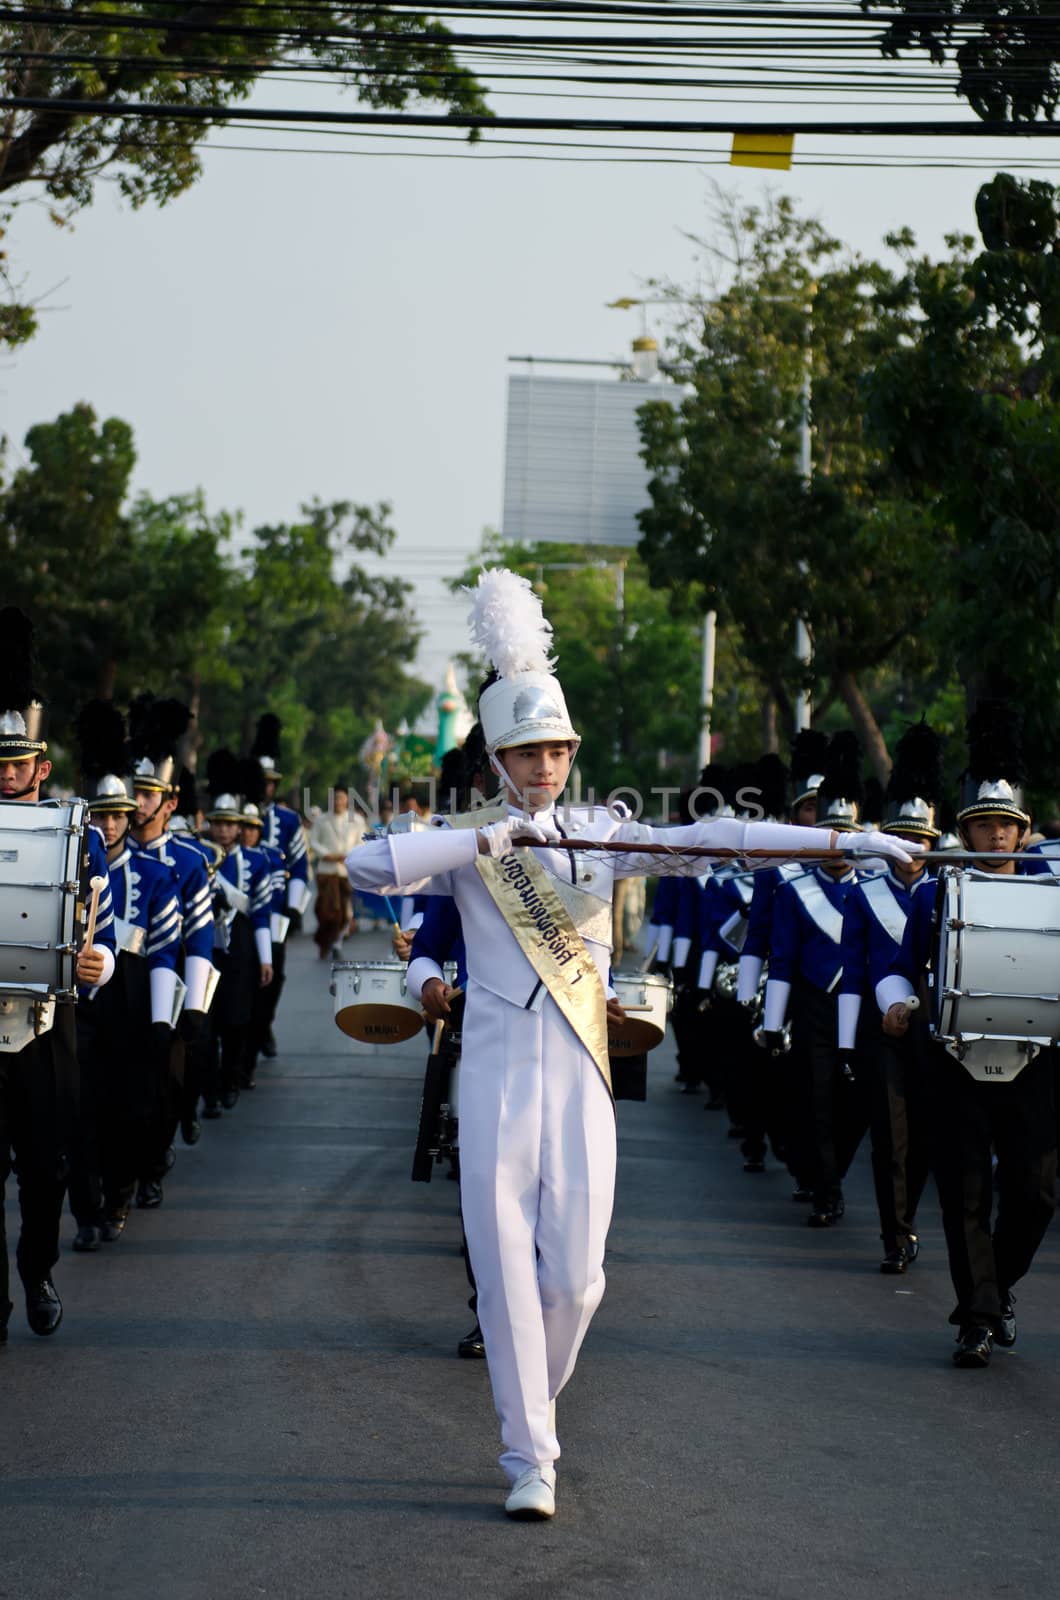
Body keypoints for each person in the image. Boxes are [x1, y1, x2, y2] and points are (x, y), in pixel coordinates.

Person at [346, 569, 918, 1519]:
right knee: (498, 1261)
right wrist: (479, 847)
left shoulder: (605, 836)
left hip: (581, 1069)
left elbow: (728, 836)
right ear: (497, 757)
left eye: (557, 750)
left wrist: (849, 848)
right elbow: (367, 865)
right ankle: (531, 1452)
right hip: (492, 1066)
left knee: (578, 1277)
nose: (545, 767)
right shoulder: (470, 838)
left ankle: (536, 1401)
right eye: (527, 753)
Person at [879, 701, 1056, 1368]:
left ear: (1023, 831)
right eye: (982, 827)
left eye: (1005, 826)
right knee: (964, 1191)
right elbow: (900, 969)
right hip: (954, 1053)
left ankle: (996, 1286)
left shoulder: (1052, 884)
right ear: (966, 833)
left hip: (1034, 1052)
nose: (994, 838)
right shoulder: (934, 893)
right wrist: (897, 1005)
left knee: (1037, 1192)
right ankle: (977, 1316)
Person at [0, 609, 116, 1341]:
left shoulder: (79, 837)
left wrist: (95, 967)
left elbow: (92, 938)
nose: (6, 776)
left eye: (17, 764)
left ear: (41, 766)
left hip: (44, 1025)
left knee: (44, 1172)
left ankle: (36, 1268)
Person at [68, 701, 183, 1240]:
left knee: (122, 1108)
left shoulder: (157, 876)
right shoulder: (66, 866)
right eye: (103, 813)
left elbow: (165, 951)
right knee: (76, 1110)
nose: (112, 823)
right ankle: (87, 1212)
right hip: (74, 1002)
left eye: (120, 813)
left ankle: (117, 1194)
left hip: (131, 1003)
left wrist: (164, 1022)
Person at [837, 720, 940, 1273]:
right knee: (890, 1136)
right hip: (879, 1029)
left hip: (936, 1029)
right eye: (902, 841)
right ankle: (895, 1235)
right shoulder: (865, 894)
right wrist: (848, 1041)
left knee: (922, 1134)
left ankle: (910, 1220)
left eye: (920, 841)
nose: (911, 852)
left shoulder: (949, 892)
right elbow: (854, 968)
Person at [761, 732, 872, 1229]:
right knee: (819, 1101)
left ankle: (832, 1172)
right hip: (812, 1004)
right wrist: (769, 1018)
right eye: (831, 836)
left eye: (847, 838)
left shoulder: (874, 890)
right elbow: (781, 958)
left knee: (859, 1106)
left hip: (864, 1005)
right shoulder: (794, 889)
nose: (839, 848)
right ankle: (828, 1189)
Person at [202, 752, 273, 1115]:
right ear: (210, 825)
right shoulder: (196, 854)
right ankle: (210, 1092)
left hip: (242, 945)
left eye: (232, 824)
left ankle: (231, 1078)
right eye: (219, 824)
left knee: (236, 1019)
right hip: (205, 944)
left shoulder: (257, 862)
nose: (225, 831)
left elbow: (260, 913)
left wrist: (266, 959)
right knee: (205, 1023)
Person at [310, 786, 364, 958]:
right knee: (325, 910)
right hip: (326, 871)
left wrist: (349, 856)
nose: (338, 802)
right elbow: (313, 841)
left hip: (347, 871)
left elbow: (362, 842)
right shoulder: (322, 820)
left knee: (345, 912)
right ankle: (325, 940)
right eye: (335, 798)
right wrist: (327, 855)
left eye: (341, 798)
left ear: (347, 800)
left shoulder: (356, 820)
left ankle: (337, 942)